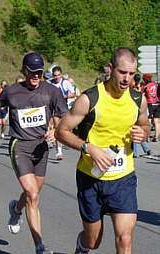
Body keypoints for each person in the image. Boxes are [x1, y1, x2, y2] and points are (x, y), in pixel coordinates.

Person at [55, 48, 150, 254]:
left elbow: (145, 126)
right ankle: (82, 247)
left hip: (123, 179)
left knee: (125, 238)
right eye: (122, 72)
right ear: (110, 68)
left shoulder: (137, 100)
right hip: (91, 178)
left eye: (131, 74)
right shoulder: (89, 99)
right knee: (93, 242)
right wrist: (88, 148)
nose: (127, 79)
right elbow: (61, 131)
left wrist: (143, 134)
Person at [0, 52, 67, 254]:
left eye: (39, 72)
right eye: (32, 72)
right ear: (24, 71)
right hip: (19, 145)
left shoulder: (51, 91)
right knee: (33, 194)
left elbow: (63, 115)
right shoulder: (11, 91)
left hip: (40, 148)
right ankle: (39, 246)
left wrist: (55, 130)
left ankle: (16, 209)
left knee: (32, 194)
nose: (36, 76)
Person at [49, 66, 76, 160]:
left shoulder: (65, 83)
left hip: (64, 109)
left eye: (58, 75)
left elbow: (74, 94)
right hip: (54, 110)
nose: (57, 77)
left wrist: (65, 96)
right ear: (52, 75)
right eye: (55, 75)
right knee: (57, 129)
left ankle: (66, 140)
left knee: (66, 129)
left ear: (61, 74)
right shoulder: (50, 84)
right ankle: (59, 152)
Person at [130, 74, 151, 157]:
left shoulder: (131, 85)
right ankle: (147, 148)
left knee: (135, 131)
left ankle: (136, 153)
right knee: (139, 130)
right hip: (141, 107)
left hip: (134, 108)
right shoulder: (142, 86)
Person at [143, 74, 160, 142]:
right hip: (158, 103)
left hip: (149, 103)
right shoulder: (156, 85)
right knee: (157, 121)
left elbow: (143, 96)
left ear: (145, 79)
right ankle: (156, 137)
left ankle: (147, 137)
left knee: (149, 121)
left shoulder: (145, 86)